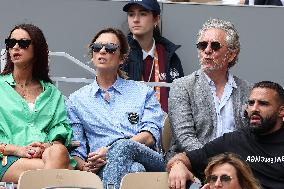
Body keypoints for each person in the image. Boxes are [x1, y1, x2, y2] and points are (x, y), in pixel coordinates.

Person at [66, 27, 165, 189]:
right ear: (92, 55)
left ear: (122, 58)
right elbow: (77, 149)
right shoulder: (77, 100)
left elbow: (150, 136)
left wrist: (110, 151)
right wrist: (85, 167)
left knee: (124, 147)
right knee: (135, 170)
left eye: (110, 48)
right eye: (97, 47)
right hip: (105, 167)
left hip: (147, 158)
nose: (103, 51)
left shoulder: (142, 91)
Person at [167, 81, 284, 189]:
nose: (254, 109)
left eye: (263, 104)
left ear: (281, 111)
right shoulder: (234, 141)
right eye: (251, 103)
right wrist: (178, 165)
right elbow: (187, 158)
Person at [166, 18, 251, 160]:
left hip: (238, 167)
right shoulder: (182, 86)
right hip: (194, 164)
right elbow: (185, 138)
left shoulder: (248, 90)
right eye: (202, 45)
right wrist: (215, 164)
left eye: (215, 46)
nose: (207, 50)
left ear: (231, 55)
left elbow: (253, 136)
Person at [0, 24, 72, 183]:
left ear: (37, 49)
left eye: (23, 43)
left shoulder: (52, 93)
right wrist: (19, 150)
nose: (16, 47)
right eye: (11, 43)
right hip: (8, 157)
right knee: (61, 171)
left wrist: (46, 146)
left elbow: (60, 128)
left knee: (58, 151)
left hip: (46, 157)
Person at [122, 0, 184, 112]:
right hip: (130, 126)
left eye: (143, 14)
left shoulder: (170, 55)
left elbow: (182, 101)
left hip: (165, 127)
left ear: (156, 19)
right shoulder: (120, 54)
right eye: (131, 14)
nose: (135, 19)